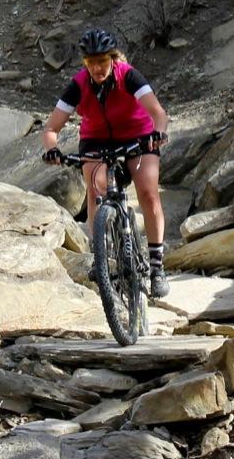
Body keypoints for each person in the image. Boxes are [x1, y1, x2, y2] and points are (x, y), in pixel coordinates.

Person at [40, 28, 171, 298]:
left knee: (147, 190)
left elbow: (158, 113)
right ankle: (100, 255)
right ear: (85, 63)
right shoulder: (78, 85)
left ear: (112, 59)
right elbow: (51, 129)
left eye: (102, 61)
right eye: (91, 62)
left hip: (138, 136)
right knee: (96, 189)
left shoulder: (129, 75)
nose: (97, 68)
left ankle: (157, 267)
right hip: (96, 140)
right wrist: (52, 150)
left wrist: (157, 134)